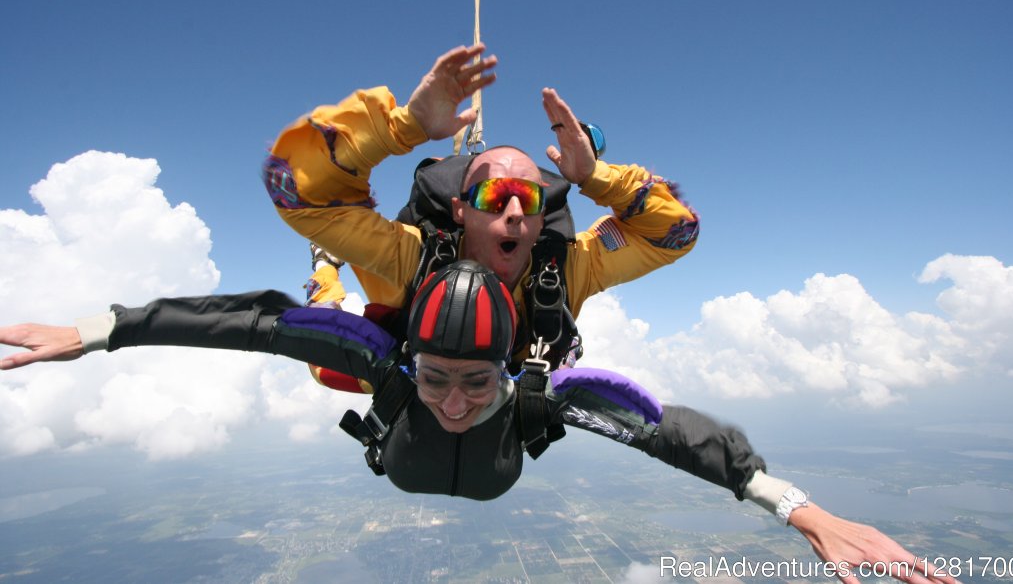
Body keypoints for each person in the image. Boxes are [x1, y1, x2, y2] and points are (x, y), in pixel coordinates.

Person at [0, 263, 956, 584]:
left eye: (475, 382)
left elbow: (675, 436)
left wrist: (802, 511)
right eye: (435, 377)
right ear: (409, 362)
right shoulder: (384, 362)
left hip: (450, 463)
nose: (453, 399)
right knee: (319, 328)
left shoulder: (544, 392)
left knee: (337, 344)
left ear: (511, 368)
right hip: (403, 449)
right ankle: (330, 273)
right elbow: (242, 328)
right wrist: (100, 332)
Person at [263, 43, 700, 370]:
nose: (512, 213)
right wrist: (402, 128)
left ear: (540, 218)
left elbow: (676, 234)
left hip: (504, 386)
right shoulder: (411, 257)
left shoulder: (566, 267)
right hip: (404, 369)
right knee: (326, 353)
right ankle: (325, 271)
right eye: (492, 197)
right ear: (459, 211)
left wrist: (594, 178)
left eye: (528, 200)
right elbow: (294, 187)